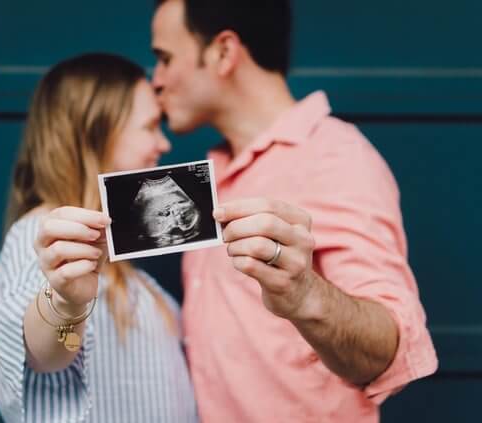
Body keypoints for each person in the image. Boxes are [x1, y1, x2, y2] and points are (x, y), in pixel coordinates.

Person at [150, 0, 438, 421]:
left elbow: (388, 352)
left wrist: (303, 294)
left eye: (165, 58)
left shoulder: (334, 157)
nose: (155, 80)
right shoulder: (209, 175)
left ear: (224, 52)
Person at [0, 53, 198, 423]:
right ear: (94, 135)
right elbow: (44, 354)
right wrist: (66, 305)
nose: (163, 144)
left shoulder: (120, 265)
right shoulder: (44, 240)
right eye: (149, 127)